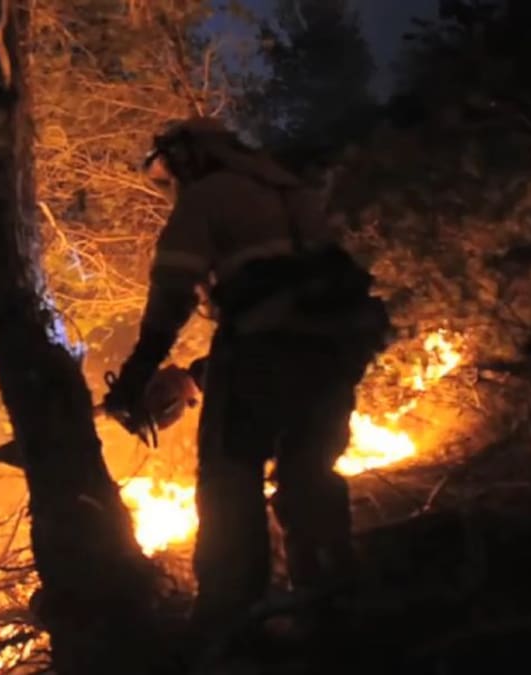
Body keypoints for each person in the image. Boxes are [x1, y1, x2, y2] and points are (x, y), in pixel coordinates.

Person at [101, 117, 392, 645]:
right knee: (308, 473)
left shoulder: (208, 196)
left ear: (189, 157)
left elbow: (174, 292)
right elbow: (289, 309)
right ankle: (332, 608)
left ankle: (230, 622)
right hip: (333, 353)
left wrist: (136, 374)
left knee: (228, 478)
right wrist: (191, 379)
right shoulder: (291, 192)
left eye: (170, 172)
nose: (171, 184)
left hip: (264, 349)